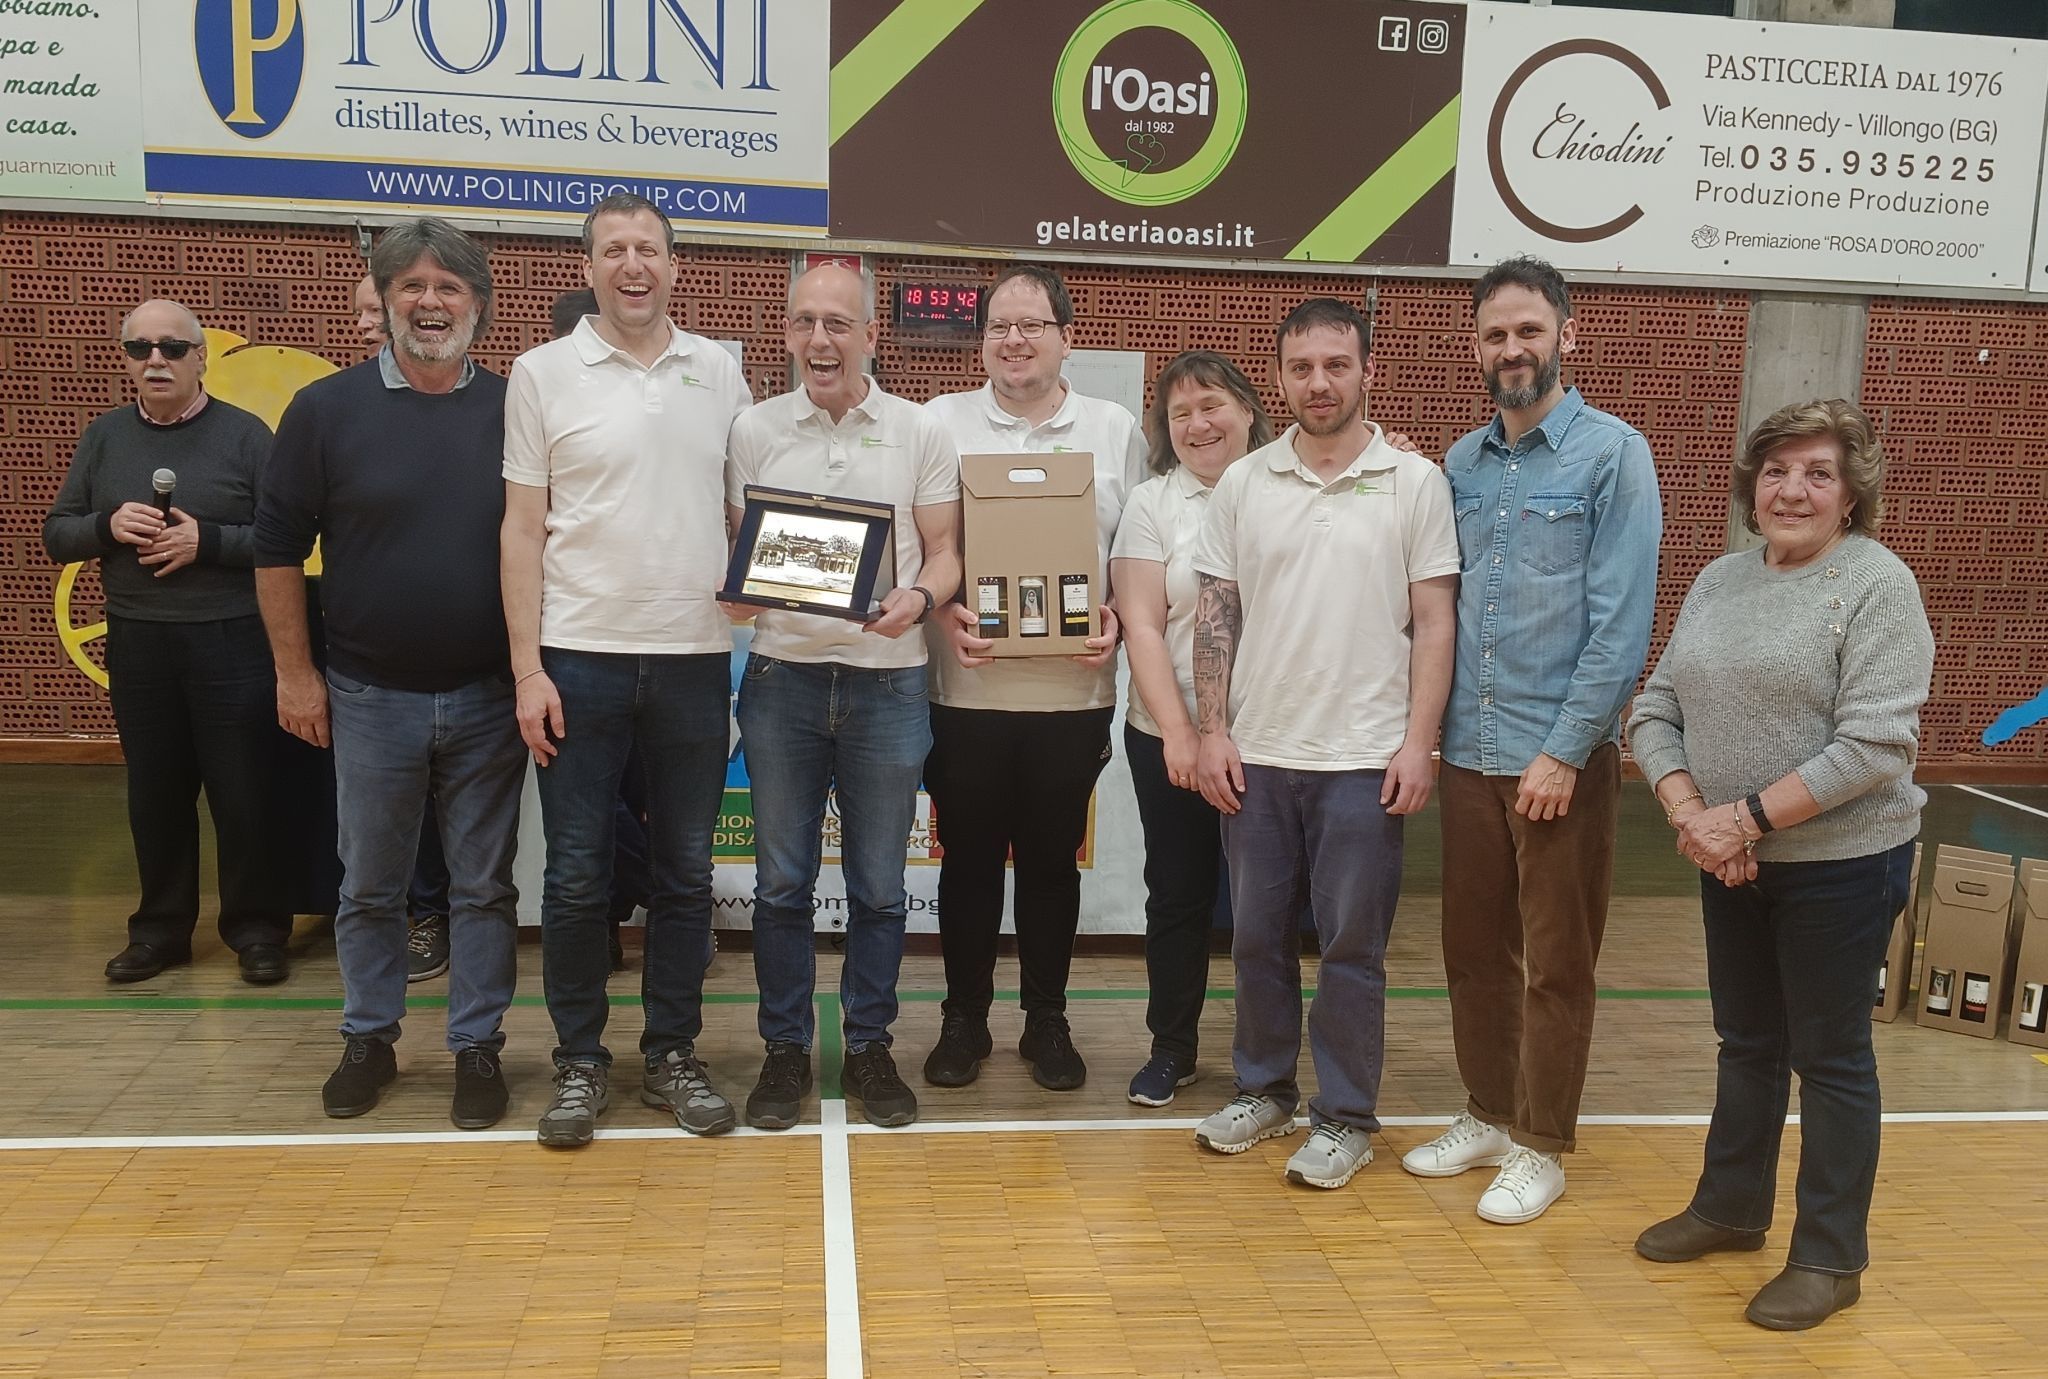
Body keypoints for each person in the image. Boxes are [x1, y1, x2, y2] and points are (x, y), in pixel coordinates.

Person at [1627, 398, 1932, 1331]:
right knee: (1748, 1043)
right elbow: (1654, 709)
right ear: (1750, 485)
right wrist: (1691, 812)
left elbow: (1875, 745)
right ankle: (1729, 1208)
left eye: (1817, 473)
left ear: (1850, 496)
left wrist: (1743, 820)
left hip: (1843, 861)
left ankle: (1830, 1257)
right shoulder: (1720, 581)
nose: (1792, 489)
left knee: (1830, 1057)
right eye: (1776, 471)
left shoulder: (1879, 585)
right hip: (1729, 857)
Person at [1401, 257, 1663, 1224]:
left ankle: (1542, 1142)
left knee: (1558, 961)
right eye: (1494, 335)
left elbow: (1621, 624)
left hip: (1562, 758)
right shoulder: (1459, 466)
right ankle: (1486, 1110)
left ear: (1566, 334)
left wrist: (1562, 750)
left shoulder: (1613, 455)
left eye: (1528, 331)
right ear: (1476, 348)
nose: (1512, 349)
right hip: (1467, 751)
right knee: (1472, 950)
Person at [256, 219, 523, 1130]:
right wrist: (297, 674)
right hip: (369, 695)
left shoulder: (516, 411)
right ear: (381, 301)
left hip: (491, 694)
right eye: (410, 285)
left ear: (478, 303)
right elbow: (277, 549)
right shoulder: (324, 412)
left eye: (448, 286)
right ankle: (369, 1033)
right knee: (368, 882)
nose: (430, 302)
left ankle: (477, 1044)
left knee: (484, 885)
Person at [1188, 298, 1458, 1191]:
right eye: (1302, 366)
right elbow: (1217, 611)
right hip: (1259, 755)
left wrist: (1418, 744)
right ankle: (1264, 1090)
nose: (1319, 382)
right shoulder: (1244, 482)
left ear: (1367, 370)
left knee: (1351, 950)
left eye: (1336, 364)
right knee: (1258, 937)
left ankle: (1345, 1117)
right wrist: (1213, 730)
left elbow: (1433, 621)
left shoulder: (1415, 483)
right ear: (1280, 376)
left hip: (1363, 759)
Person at [502, 194, 752, 1148]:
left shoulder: (718, 369)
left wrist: (756, 579)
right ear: (591, 266)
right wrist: (528, 668)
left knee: (688, 874)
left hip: (693, 661)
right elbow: (522, 528)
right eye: (615, 250)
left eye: (649, 248)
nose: (633, 264)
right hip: (578, 660)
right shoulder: (542, 373)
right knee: (574, 878)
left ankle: (674, 1054)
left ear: (675, 265)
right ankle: (577, 1063)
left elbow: (746, 513)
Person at [727, 263, 962, 1129]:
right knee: (782, 886)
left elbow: (944, 550)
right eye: (803, 322)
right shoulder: (752, 428)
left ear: (870, 333)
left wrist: (922, 598)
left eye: (837, 323)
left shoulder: (918, 429)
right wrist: (744, 590)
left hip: (890, 682)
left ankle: (868, 1045)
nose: (818, 340)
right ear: (786, 332)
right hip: (782, 677)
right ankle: (784, 1051)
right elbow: (744, 556)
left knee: (880, 888)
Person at [921, 264, 1144, 1092]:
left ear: (1066, 337)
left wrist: (1119, 609)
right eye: (999, 327)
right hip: (966, 689)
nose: (1014, 340)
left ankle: (1046, 1018)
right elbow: (926, 546)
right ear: (982, 341)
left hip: (1073, 693)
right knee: (968, 858)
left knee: (1052, 862)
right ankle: (963, 1018)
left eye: (1032, 325)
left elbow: (1137, 544)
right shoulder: (941, 423)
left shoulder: (1114, 427)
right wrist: (943, 613)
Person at [43, 300, 292, 986]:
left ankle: (257, 929)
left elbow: (285, 540)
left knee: (243, 794)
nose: (156, 359)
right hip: (139, 640)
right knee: (154, 795)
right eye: (141, 347)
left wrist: (203, 540)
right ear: (126, 358)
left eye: (172, 348)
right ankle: (160, 932)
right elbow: (57, 532)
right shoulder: (104, 437)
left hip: (231, 640)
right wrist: (105, 524)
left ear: (200, 357)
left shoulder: (246, 436)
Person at [1109, 350, 1273, 1106]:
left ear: (1246, 409)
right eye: (1180, 414)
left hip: (1272, 736)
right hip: (1165, 734)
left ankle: (1266, 1060)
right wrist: (1180, 731)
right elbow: (1142, 623)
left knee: (1266, 903)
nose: (1198, 424)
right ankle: (1172, 1045)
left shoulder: (1288, 485)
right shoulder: (1152, 503)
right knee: (1176, 895)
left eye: (1212, 405)